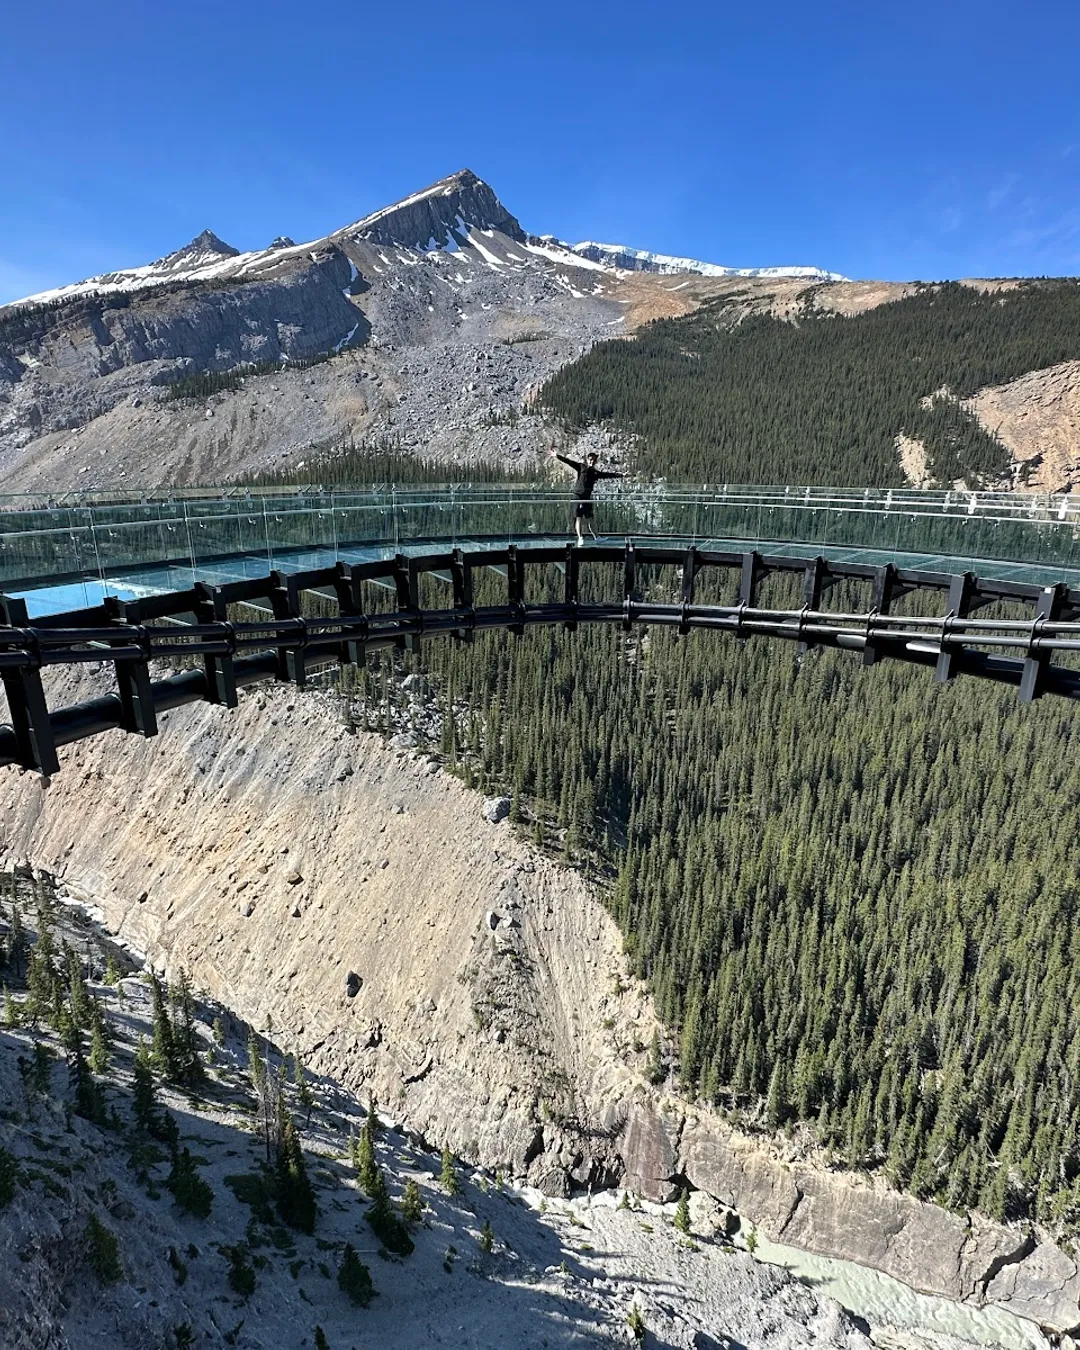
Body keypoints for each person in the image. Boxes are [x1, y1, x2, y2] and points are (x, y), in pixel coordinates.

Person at [550, 448, 624, 543]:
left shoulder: (595, 473)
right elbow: (569, 462)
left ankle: (597, 538)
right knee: (578, 517)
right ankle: (580, 538)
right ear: (587, 459)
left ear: (595, 461)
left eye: (594, 460)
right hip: (577, 496)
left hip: (587, 498)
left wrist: (620, 475)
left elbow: (607, 475)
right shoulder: (581, 467)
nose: (592, 461)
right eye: (590, 459)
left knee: (590, 518)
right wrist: (557, 456)